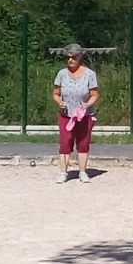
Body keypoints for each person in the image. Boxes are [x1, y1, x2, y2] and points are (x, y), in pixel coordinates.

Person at [52, 43, 99, 184]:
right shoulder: (61, 74)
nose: (70, 60)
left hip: (83, 115)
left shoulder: (89, 74)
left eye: (73, 57)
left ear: (79, 58)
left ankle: (83, 172)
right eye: (68, 57)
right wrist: (59, 102)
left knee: (83, 143)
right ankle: (63, 172)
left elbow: (94, 94)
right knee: (65, 143)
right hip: (66, 115)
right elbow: (55, 93)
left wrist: (87, 104)